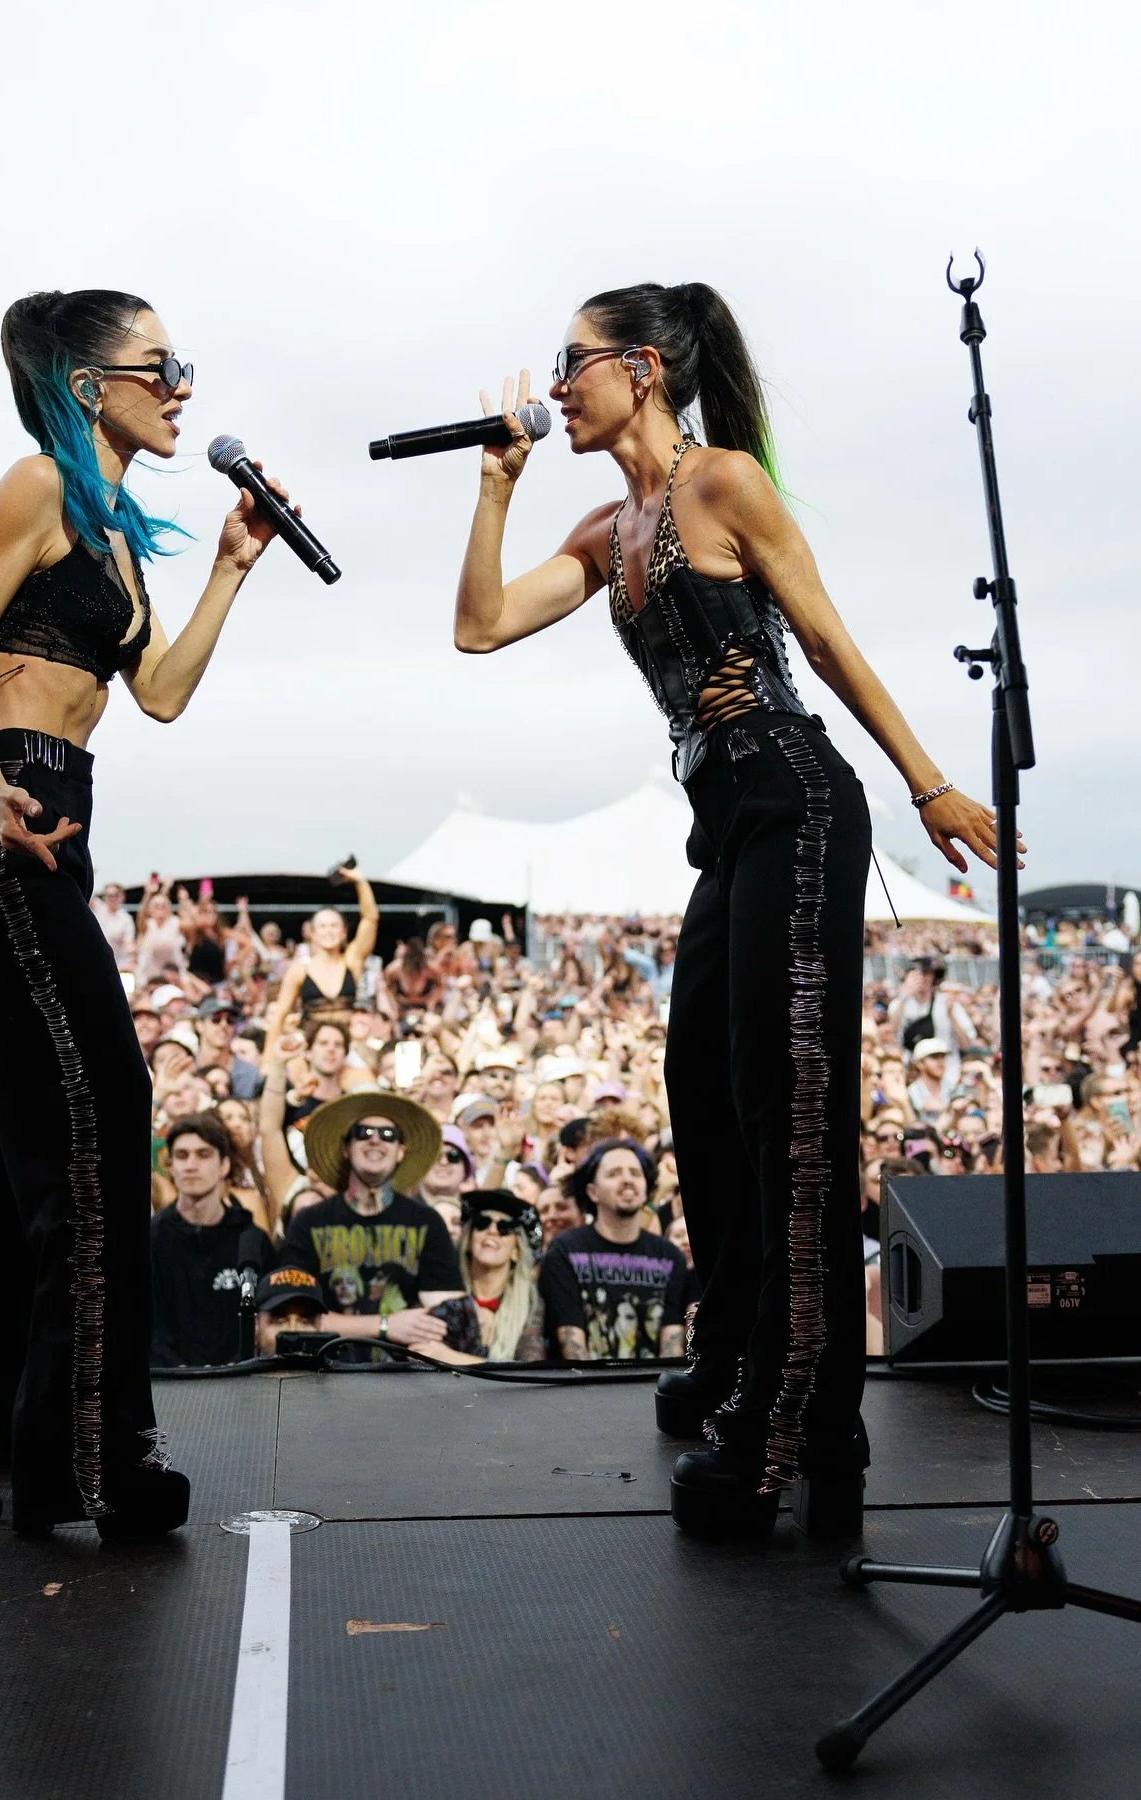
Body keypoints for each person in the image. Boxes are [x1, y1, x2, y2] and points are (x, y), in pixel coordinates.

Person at [451, 284, 1012, 1537]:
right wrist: (495, 486)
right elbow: (479, 627)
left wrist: (929, 784)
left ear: (642, 369)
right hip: (729, 829)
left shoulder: (725, 487)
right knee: (701, 1092)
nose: (557, 384)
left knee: (789, 1117)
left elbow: (824, 638)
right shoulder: (611, 525)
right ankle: (732, 1360)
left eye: (573, 363)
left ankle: (796, 1430)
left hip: (799, 802)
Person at [0, 287, 290, 1541]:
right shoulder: (34, 488)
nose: (182, 386)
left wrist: (233, 570)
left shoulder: (119, 534)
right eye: (160, 364)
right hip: (2, 815)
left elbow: (162, 692)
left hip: (57, 817)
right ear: (90, 387)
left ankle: (6, 1415)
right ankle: (92, 1450)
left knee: (19, 1118)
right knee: (100, 1105)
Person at [278, 1091, 464, 1349]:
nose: (375, 1140)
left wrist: (338, 1324)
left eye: (388, 1135)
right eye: (363, 1133)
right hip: (325, 1374)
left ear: (401, 1151)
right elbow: (293, 1320)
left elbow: (450, 1317)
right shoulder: (309, 1221)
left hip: (404, 1375)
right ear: (346, 1148)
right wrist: (387, 1326)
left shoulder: (426, 1222)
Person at [538, 1140, 692, 1363]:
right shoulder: (565, 1251)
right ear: (592, 1192)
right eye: (614, 1174)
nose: (628, 1180)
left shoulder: (669, 1256)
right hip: (585, 1391)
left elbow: (672, 1343)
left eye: (635, 1173)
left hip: (648, 1390)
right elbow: (571, 1345)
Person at [150, 1114, 273, 1367]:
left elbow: (266, 1320)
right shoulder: (150, 1240)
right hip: (168, 1386)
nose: (191, 1165)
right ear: (170, 1167)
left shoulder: (250, 1241)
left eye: (203, 1154)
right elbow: (142, 1324)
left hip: (238, 1384)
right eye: (182, 1156)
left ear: (224, 1166)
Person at [267, 869, 379, 1042]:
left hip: (346, 1046)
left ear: (343, 933)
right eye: (323, 926)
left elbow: (370, 918)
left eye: (334, 926)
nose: (329, 931)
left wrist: (360, 881)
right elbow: (280, 1015)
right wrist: (268, 1063)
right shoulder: (300, 970)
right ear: (312, 933)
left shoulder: (351, 962)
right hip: (310, 1048)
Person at [456, 1190, 545, 1362]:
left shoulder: (531, 1304)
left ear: (516, 1251)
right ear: (468, 1241)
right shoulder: (444, 1292)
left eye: (504, 1227)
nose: (492, 1231)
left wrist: (450, 1358)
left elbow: (530, 1369)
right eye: (482, 1223)